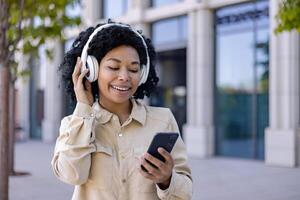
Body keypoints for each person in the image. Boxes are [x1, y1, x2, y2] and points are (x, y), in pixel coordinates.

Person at [51, 21, 193, 200]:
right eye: (113, 67)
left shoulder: (163, 120)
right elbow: (71, 175)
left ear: (142, 74)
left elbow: (185, 192)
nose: (125, 77)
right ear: (91, 70)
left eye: (133, 69)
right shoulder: (73, 124)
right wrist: (84, 110)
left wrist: (167, 180)